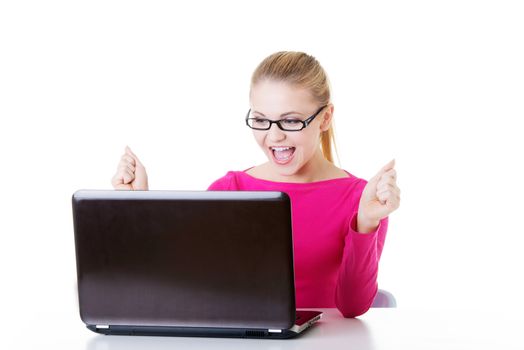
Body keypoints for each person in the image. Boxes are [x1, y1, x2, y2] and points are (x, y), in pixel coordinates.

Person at [111, 51, 401, 318]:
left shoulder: (363, 199)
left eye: (290, 121)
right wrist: (136, 207)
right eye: (261, 120)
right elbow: (179, 286)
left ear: (325, 118)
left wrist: (365, 223)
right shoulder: (230, 190)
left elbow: (353, 307)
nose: (274, 137)